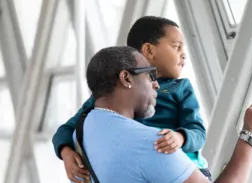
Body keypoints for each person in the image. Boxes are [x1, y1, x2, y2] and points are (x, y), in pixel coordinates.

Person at [73, 46, 252, 183]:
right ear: (126, 78)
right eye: (150, 75)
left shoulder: (83, 129)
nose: (156, 84)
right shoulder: (151, 143)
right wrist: (251, 134)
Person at [52, 16, 211, 182]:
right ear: (149, 50)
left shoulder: (181, 88)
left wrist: (180, 137)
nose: (183, 54)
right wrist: (66, 153)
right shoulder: (108, 95)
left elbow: (198, 132)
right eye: (176, 47)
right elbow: (66, 129)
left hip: (190, 170)